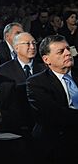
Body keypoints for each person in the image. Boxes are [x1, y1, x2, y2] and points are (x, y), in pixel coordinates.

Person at [27, 35, 78, 163]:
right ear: (46, 59)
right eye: (61, 52)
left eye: (68, 49)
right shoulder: (36, 83)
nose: (68, 53)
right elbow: (53, 115)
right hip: (56, 144)